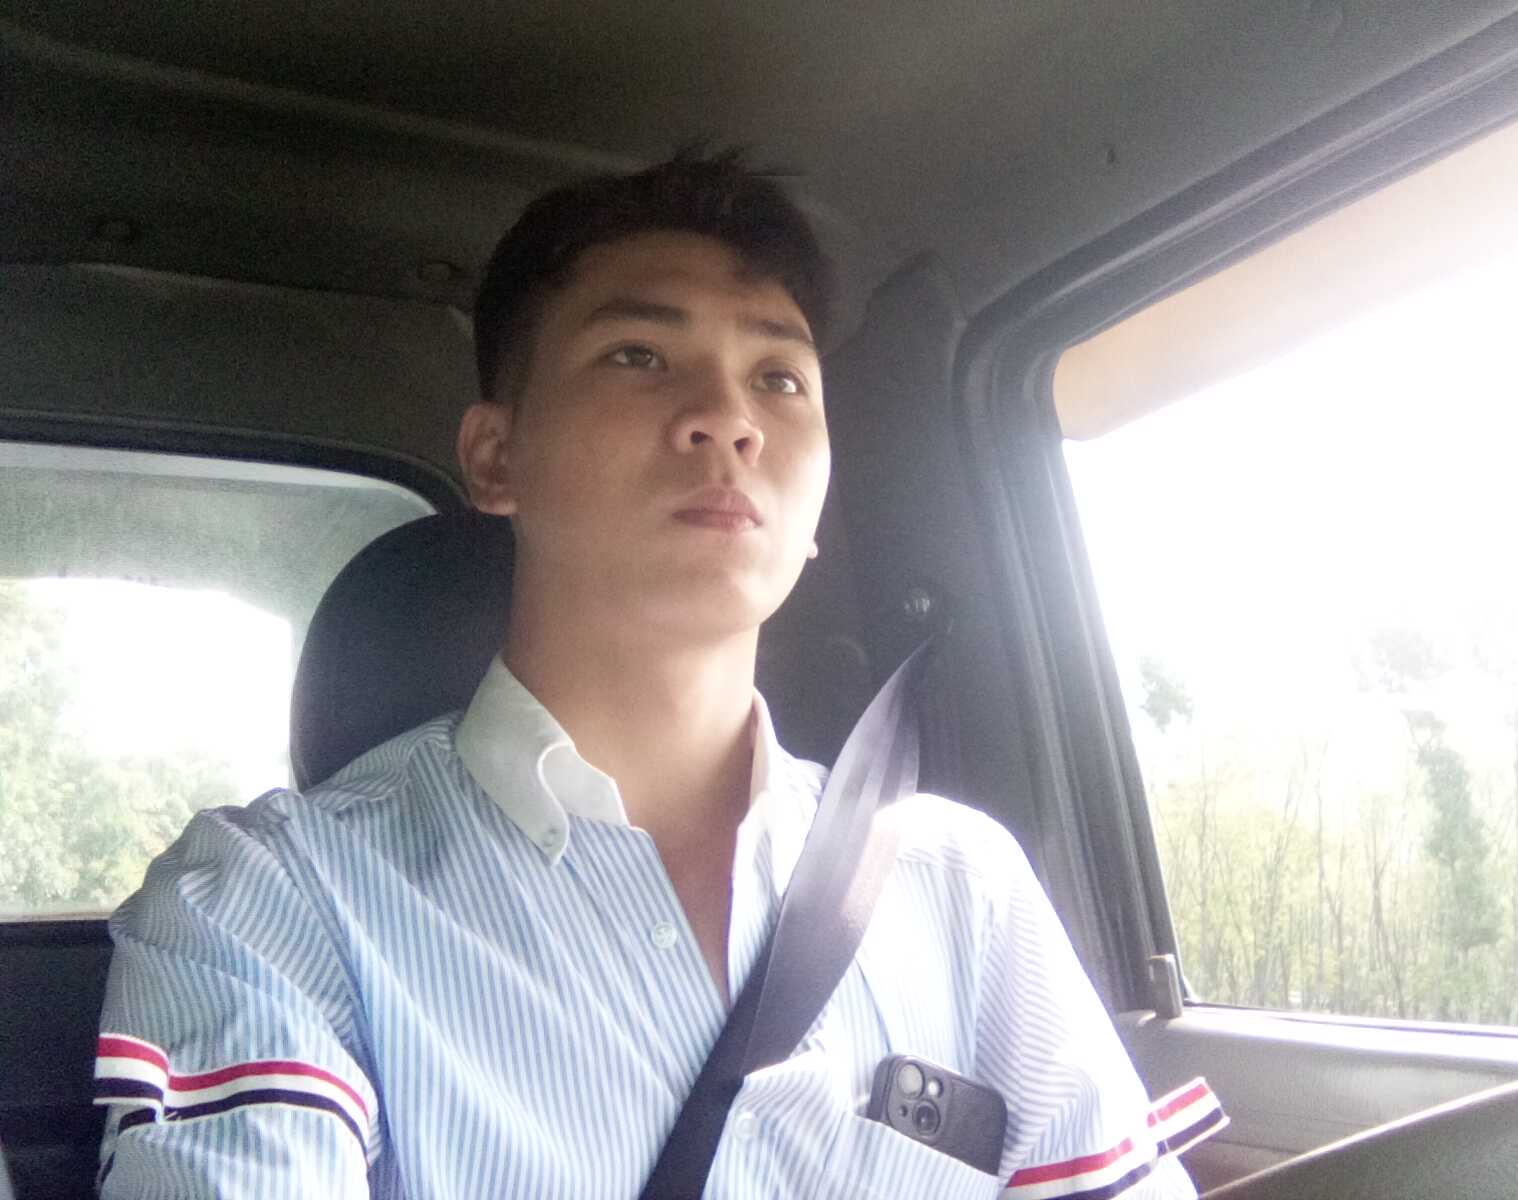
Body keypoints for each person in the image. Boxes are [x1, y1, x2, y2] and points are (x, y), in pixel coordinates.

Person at [93, 151, 1223, 1198]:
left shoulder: (960, 884)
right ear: (495, 455)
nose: (727, 419)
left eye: (779, 379)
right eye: (638, 356)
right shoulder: (266, 901)